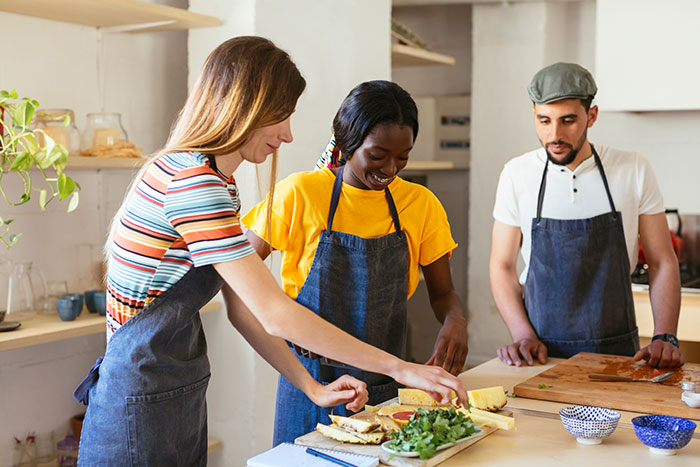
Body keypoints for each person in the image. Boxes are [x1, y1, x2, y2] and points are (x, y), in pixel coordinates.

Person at [72, 37, 467, 465]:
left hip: (172, 392)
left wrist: (312, 387)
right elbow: (273, 311)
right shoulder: (194, 184)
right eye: (280, 116)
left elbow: (243, 308)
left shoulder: (214, 181)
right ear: (244, 107)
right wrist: (402, 368)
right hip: (138, 402)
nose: (288, 133)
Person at [241, 80, 468, 444]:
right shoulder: (299, 194)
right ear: (347, 144)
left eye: (403, 157)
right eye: (378, 155)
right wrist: (287, 323)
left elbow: (444, 293)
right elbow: (241, 281)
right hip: (311, 385)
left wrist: (455, 319)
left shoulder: (420, 204)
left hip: (385, 385)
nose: (391, 169)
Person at [490, 62, 684, 369]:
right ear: (534, 115)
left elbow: (662, 260)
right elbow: (501, 265)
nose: (554, 134)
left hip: (618, 352)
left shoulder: (633, 168)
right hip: (539, 353)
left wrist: (666, 335)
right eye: (544, 120)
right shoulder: (517, 174)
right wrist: (522, 333)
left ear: (591, 116)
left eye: (568, 121)